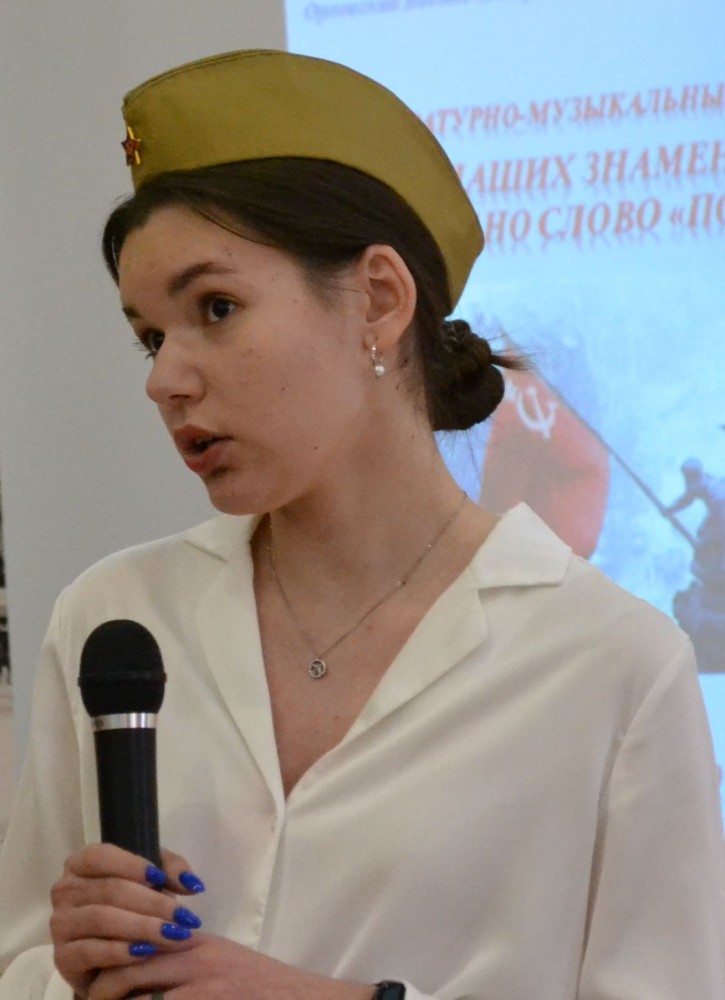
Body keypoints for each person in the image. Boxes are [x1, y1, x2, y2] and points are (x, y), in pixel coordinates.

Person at [0, 49, 723, 1000]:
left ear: (378, 299)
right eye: (149, 336)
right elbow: (19, 965)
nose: (165, 379)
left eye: (216, 308)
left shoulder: (609, 664)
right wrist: (74, 969)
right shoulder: (115, 618)